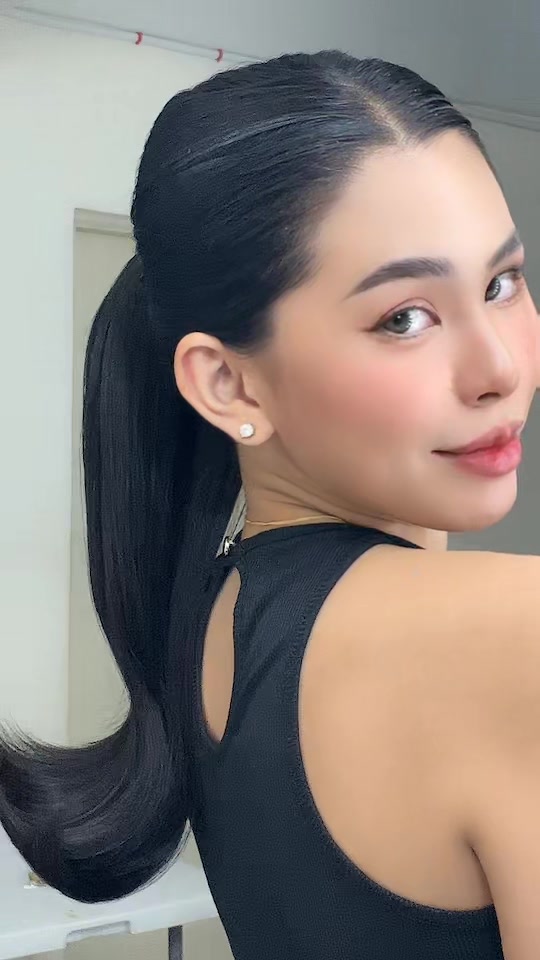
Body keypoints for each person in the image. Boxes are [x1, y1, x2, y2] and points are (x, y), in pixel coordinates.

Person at [1, 49, 540, 960]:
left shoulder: (213, 616)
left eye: (501, 283)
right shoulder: (512, 636)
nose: (499, 368)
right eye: (404, 317)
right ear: (229, 384)